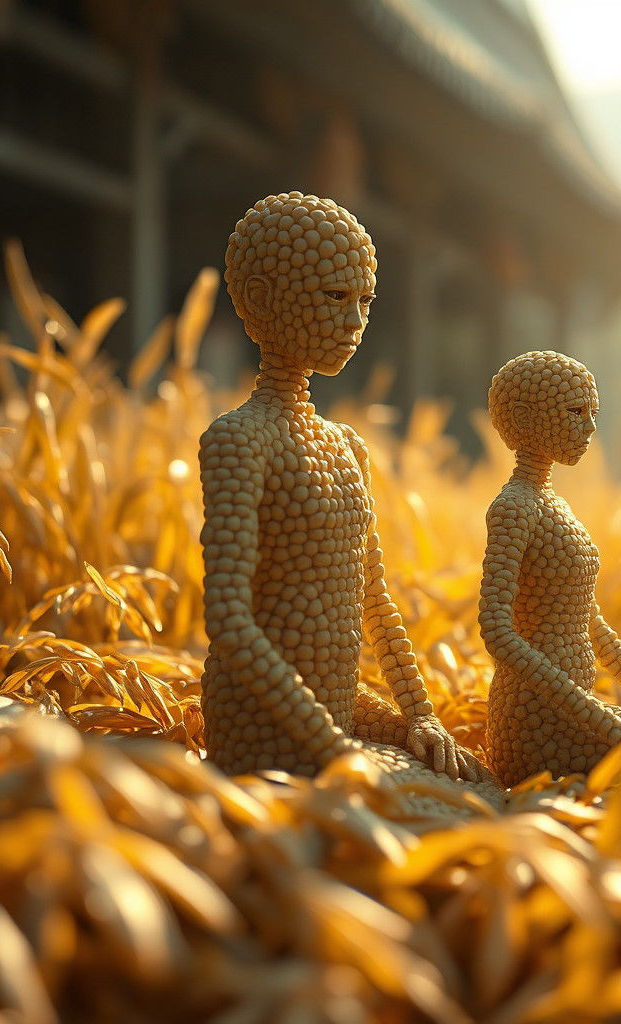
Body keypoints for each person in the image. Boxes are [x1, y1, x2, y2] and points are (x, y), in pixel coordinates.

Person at [199, 192, 483, 784]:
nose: (354, 322)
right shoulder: (239, 440)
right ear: (260, 299)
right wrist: (330, 743)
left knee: (476, 782)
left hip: (336, 705)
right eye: (334, 298)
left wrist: (422, 715)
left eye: (365, 302)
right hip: (266, 719)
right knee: (443, 812)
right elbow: (228, 620)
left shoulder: (347, 445)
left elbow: (374, 600)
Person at [480, 350, 621, 786]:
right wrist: (593, 715)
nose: (589, 427)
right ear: (525, 418)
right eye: (576, 412)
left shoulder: (554, 506)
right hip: (535, 720)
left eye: (593, 413)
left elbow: (589, 621)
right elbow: (496, 630)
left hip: (573, 705)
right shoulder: (515, 508)